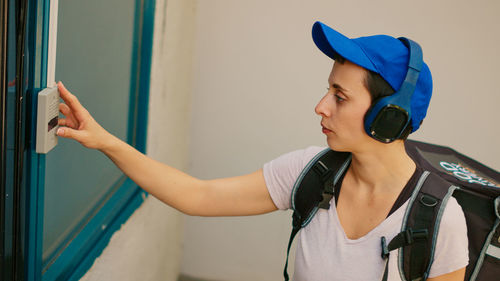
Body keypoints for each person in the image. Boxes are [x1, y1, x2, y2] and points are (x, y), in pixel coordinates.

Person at [56, 21, 468, 281]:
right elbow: (196, 196)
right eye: (328, 90)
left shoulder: (437, 220)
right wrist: (103, 139)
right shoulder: (313, 172)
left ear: (388, 118)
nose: (321, 106)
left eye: (339, 96)